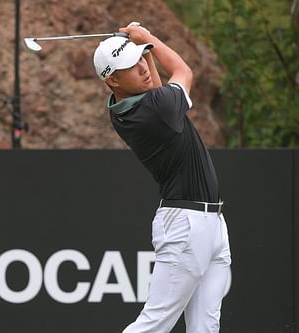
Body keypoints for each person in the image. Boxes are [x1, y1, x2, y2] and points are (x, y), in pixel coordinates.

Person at [93, 22, 232, 333]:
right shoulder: (155, 110)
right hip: (187, 225)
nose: (142, 67)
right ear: (113, 79)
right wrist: (149, 38)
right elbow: (184, 72)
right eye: (132, 66)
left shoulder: (129, 108)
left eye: (142, 58)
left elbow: (154, 88)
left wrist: (145, 49)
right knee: (154, 323)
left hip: (209, 224)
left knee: (206, 327)